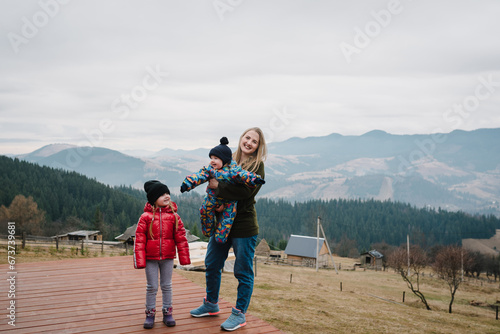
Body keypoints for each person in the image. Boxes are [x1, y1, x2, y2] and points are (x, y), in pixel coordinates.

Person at [190, 127, 267, 331]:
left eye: (255, 141)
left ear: (259, 146)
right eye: (247, 137)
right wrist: (216, 202)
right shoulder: (227, 158)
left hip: (243, 226)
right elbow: (211, 180)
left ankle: (239, 314)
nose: (249, 142)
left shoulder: (257, 167)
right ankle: (211, 304)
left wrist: (218, 186)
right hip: (222, 224)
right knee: (212, 262)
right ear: (241, 138)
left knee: (243, 271)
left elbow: (245, 193)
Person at [180, 136, 265, 243]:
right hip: (213, 200)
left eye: (254, 141)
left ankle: (221, 236)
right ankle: (208, 230)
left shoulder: (234, 169)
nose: (212, 161)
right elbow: (198, 176)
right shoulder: (212, 169)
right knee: (205, 209)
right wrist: (187, 183)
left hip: (242, 223)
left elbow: (243, 178)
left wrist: (255, 179)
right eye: (211, 158)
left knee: (227, 217)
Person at [134, 180, 191, 329]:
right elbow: (139, 240)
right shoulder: (145, 217)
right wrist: (140, 261)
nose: (166, 196)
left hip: (167, 258)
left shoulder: (174, 216)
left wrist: (184, 258)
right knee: (151, 286)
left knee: (167, 285)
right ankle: (150, 314)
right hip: (150, 259)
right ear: (154, 199)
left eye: (167, 193)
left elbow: (181, 238)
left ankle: (167, 313)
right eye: (162, 194)